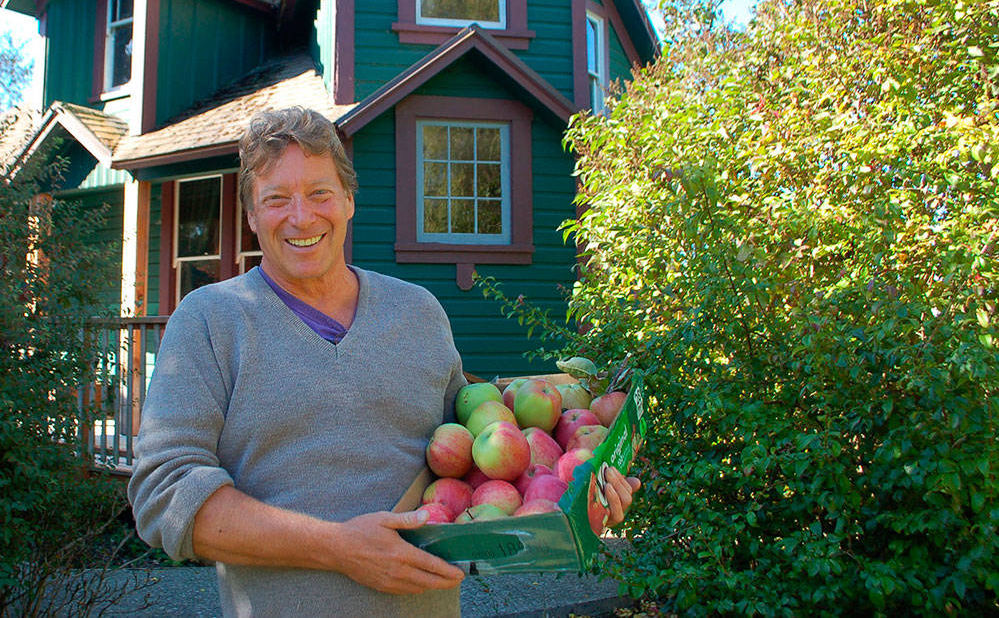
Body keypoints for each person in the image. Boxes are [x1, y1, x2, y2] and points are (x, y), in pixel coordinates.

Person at [127, 107, 639, 617]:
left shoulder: (418, 313)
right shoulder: (211, 321)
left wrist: (573, 496)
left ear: (349, 200)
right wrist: (337, 548)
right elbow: (164, 493)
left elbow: (473, 465)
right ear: (251, 215)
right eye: (276, 199)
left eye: (320, 193)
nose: (301, 217)